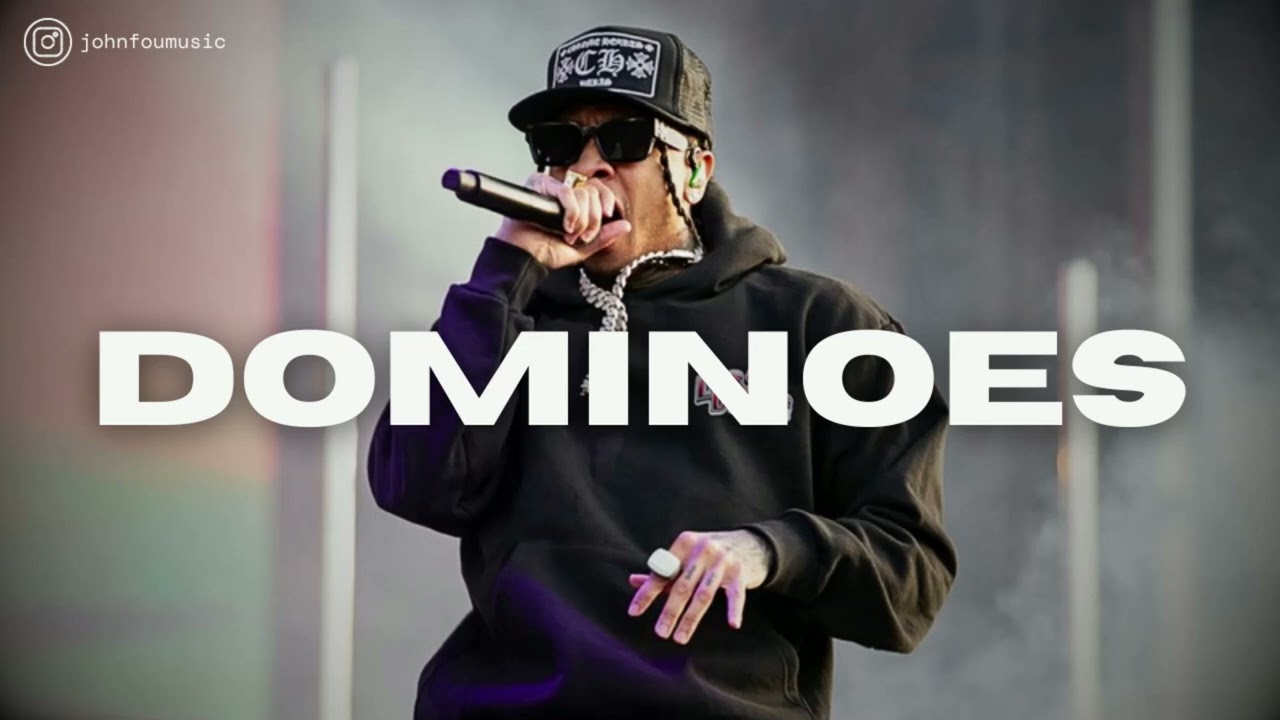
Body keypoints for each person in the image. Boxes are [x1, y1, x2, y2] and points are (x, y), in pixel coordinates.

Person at [368, 24, 957, 720]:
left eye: (624, 140)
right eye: (560, 144)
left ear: (696, 170)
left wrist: (771, 550)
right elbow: (412, 484)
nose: (588, 167)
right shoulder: (505, 319)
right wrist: (504, 270)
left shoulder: (820, 324)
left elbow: (912, 577)